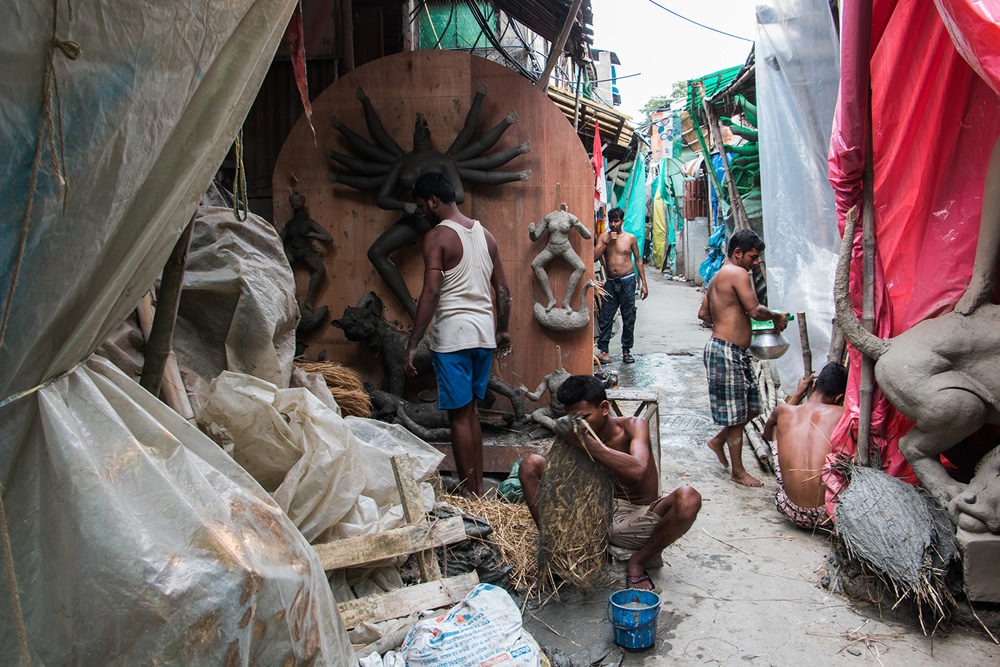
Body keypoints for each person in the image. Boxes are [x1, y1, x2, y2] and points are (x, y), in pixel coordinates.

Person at [518, 375, 701, 590]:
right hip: (593, 513)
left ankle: (638, 561)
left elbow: (638, 470)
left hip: (633, 517)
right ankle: (553, 553)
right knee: (530, 464)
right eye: (573, 419)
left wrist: (585, 443)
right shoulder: (577, 432)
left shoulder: (633, 426)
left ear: (604, 408)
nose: (580, 424)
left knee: (689, 497)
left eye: (585, 416)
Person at [404, 171, 512, 498]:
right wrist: (503, 329)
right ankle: (477, 490)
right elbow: (504, 290)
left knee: (459, 419)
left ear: (434, 201)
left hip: (453, 339)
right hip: (483, 337)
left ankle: (470, 495)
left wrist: (412, 343)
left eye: (423, 205)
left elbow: (432, 292)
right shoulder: (486, 235)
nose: (422, 212)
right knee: (471, 415)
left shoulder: (437, 236)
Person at [697, 228, 788, 487]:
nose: (756, 262)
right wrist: (776, 316)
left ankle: (718, 440)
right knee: (738, 415)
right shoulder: (737, 273)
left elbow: (703, 314)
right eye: (753, 256)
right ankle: (738, 471)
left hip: (729, 350)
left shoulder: (717, 277)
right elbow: (756, 310)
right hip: (726, 350)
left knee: (752, 408)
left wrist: (729, 318)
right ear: (738, 253)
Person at [763, 363, 848, 529]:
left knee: (775, 427)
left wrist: (798, 393)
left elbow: (767, 434)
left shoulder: (783, 411)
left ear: (814, 385)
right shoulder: (843, 414)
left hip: (789, 508)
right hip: (829, 515)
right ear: (839, 398)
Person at [594, 207, 648, 364]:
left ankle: (626, 351)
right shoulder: (604, 237)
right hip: (610, 282)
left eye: (616, 221)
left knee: (628, 316)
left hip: (628, 281)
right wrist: (606, 242)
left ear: (622, 221)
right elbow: (594, 257)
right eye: (611, 221)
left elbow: (638, 260)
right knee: (605, 316)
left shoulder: (630, 238)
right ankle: (604, 352)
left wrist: (643, 283)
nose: (613, 224)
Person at [279, 193, 333, 310]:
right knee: (280, 271)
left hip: (306, 251)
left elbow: (328, 238)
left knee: (320, 270)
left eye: (297, 200)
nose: (295, 203)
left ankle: (308, 300)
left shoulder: (308, 222)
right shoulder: (290, 224)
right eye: (292, 201)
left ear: (303, 201)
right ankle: (292, 300)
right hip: (293, 251)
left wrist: (313, 234)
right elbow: (278, 239)